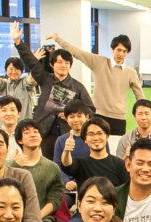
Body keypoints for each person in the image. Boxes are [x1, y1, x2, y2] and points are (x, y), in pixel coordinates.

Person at [10, 21, 94, 160]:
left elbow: (90, 109)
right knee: (46, 162)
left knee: (67, 163)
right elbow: (31, 62)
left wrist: (72, 114)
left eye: (67, 63)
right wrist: (18, 42)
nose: (63, 65)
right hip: (44, 131)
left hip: (67, 133)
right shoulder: (45, 78)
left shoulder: (77, 86)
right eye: (59, 62)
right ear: (52, 64)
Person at [48, 32, 145, 136]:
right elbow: (78, 53)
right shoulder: (99, 62)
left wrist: (143, 113)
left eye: (124, 51)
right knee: (94, 143)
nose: (121, 54)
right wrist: (58, 39)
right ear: (112, 49)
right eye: (119, 50)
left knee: (117, 146)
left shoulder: (131, 72)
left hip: (119, 118)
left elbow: (139, 95)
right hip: (98, 115)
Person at [9, 119, 66, 222]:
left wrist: (37, 216)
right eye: (27, 132)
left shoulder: (52, 167)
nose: (33, 135)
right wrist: (15, 165)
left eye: (36, 132)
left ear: (41, 137)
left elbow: (55, 199)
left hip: (42, 218)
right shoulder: (10, 167)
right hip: (12, 218)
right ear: (19, 140)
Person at [60, 116, 129, 191]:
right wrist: (67, 150)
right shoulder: (80, 163)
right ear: (85, 139)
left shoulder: (119, 164)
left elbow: (125, 189)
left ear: (107, 136)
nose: (96, 138)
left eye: (100, 133)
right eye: (91, 134)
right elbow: (67, 164)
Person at [0, 48, 37, 120]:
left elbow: (31, 79)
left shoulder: (24, 82)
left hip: (24, 123)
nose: (13, 72)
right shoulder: (5, 84)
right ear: (6, 70)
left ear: (21, 71)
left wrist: (35, 63)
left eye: (17, 69)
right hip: (7, 123)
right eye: (11, 69)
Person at [52, 100, 93, 192]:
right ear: (66, 119)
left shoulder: (96, 139)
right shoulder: (61, 140)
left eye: (79, 116)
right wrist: (66, 181)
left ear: (87, 117)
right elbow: (57, 166)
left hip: (91, 185)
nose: (76, 120)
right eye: (71, 116)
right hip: (68, 188)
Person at [0, 95, 23, 160]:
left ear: (19, 114)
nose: (8, 114)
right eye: (4, 110)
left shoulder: (26, 134)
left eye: (12, 110)